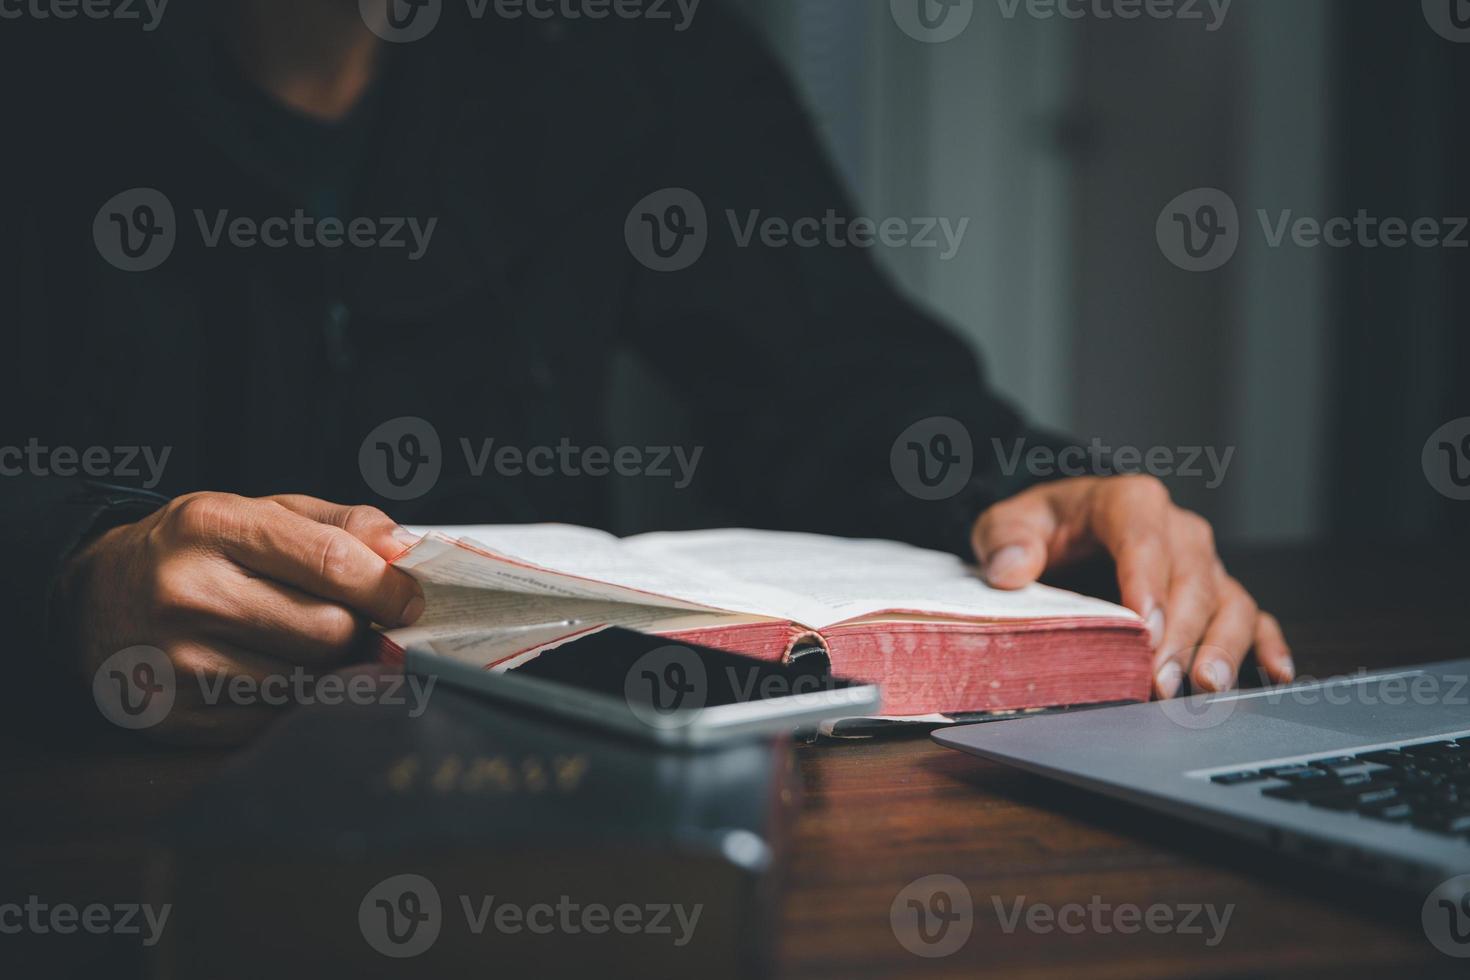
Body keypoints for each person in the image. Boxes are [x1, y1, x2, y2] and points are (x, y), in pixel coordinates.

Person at [0, 0, 1292, 742]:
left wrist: (1035, 489)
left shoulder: (630, 46)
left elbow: (835, 370)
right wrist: (64, 582)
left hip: (571, 782)